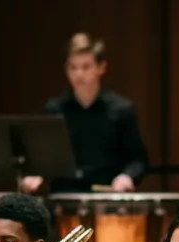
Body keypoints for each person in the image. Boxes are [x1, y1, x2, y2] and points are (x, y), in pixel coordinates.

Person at [21, 32, 149, 194]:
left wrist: (127, 176)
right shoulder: (54, 110)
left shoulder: (121, 109)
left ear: (101, 67)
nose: (78, 74)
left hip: (105, 201)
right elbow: (41, 158)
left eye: (86, 67)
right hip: (64, 197)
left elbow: (138, 160)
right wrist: (35, 174)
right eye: (73, 67)